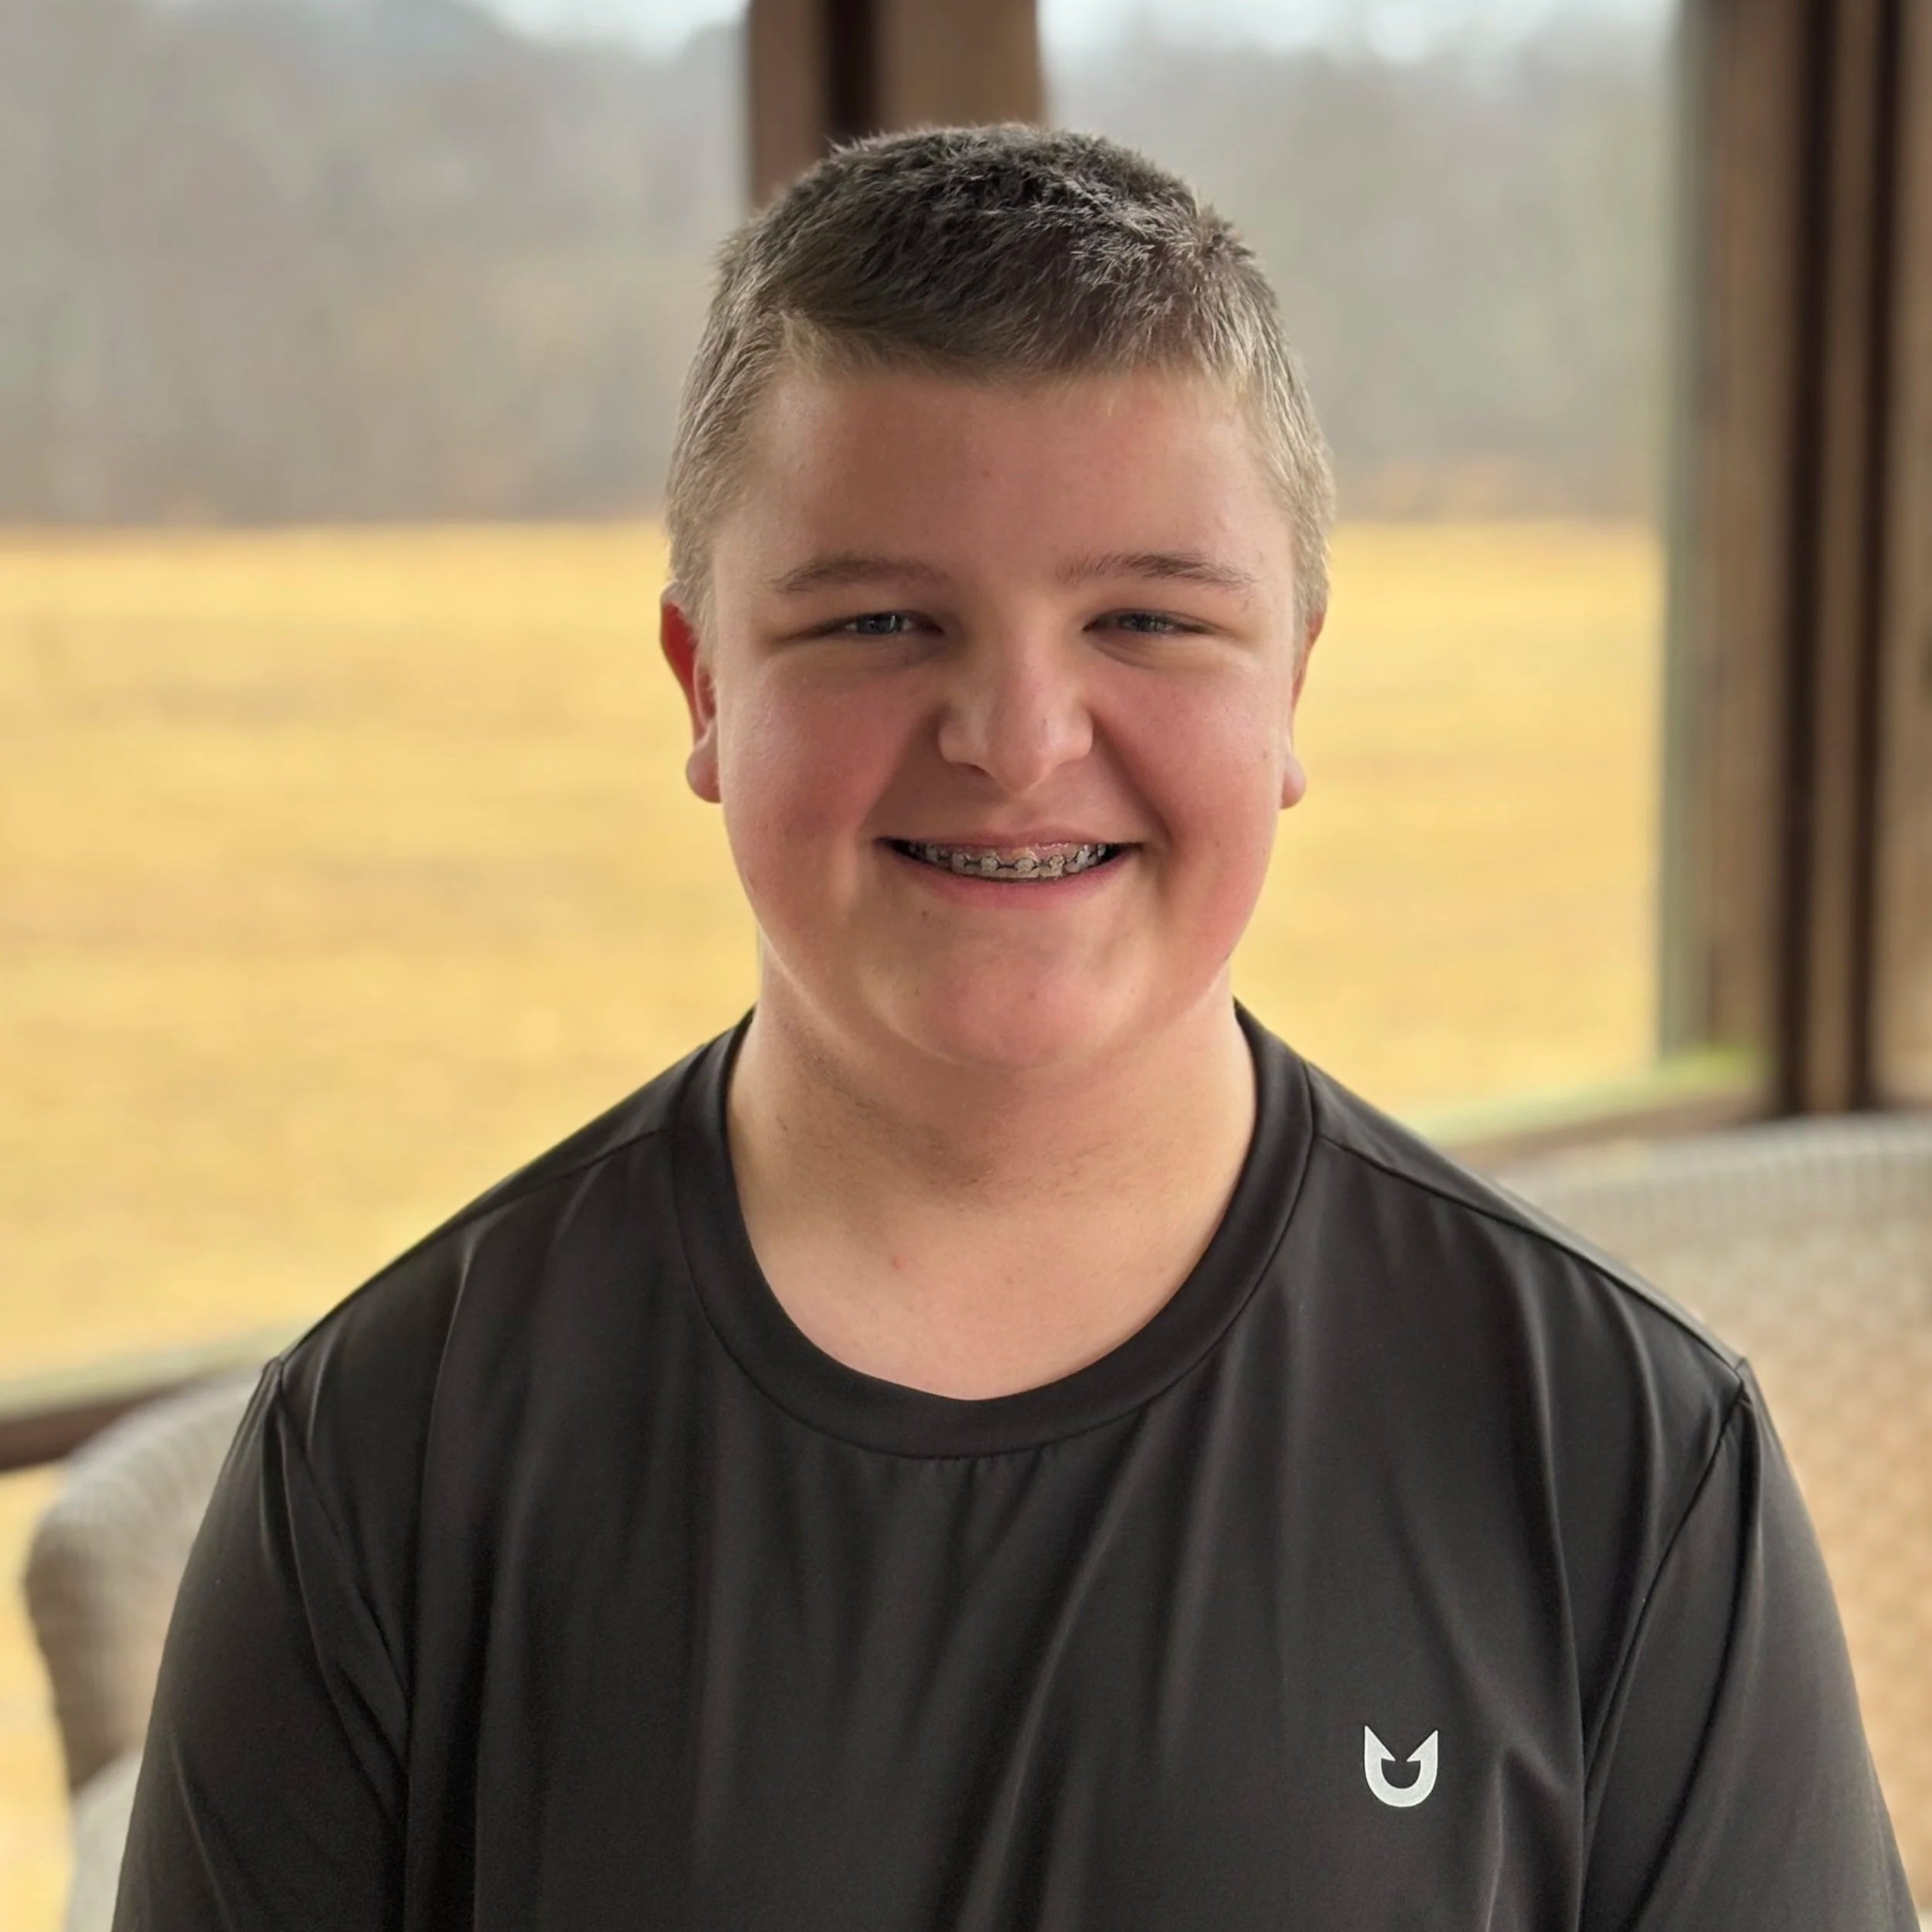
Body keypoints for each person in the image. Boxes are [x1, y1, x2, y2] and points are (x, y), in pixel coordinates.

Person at [114, 124, 1917, 1930]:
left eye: (1143, 617)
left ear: (1289, 680)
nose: (1016, 735)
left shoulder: (1617, 1451)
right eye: (879, 618)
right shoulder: (384, 1453)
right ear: (704, 681)